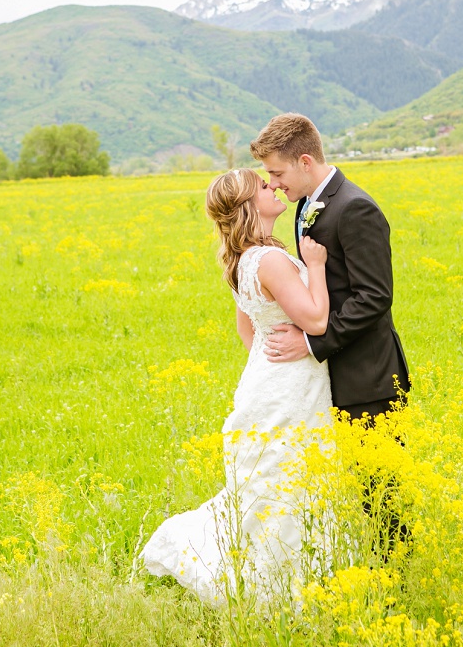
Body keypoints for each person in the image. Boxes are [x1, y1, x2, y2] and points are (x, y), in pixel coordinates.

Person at [140, 168, 334, 607]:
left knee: (274, 485)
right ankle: (287, 588)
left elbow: (250, 333)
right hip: (290, 385)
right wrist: (318, 267)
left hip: (263, 382)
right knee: (291, 482)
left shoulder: (244, 260)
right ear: (250, 205)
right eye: (264, 187)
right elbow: (318, 320)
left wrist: (270, 364)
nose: (274, 186)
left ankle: (289, 580)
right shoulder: (271, 260)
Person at [250, 112, 410, 422]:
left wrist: (311, 342)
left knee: (376, 472)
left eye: (277, 173)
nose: (274, 184)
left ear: (305, 162)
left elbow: (374, 296)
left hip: (367, 380)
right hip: (327, 381)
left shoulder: (355, 208)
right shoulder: (304, 205)